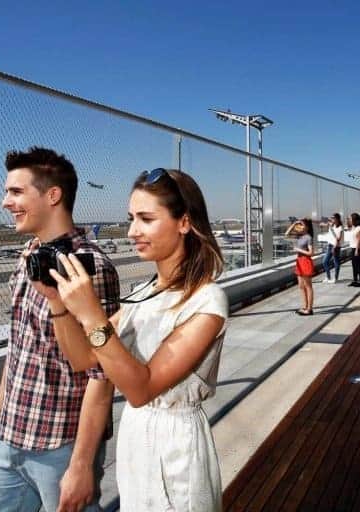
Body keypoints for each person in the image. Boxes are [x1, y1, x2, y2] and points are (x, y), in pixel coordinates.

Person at [43, 168, 229, 511]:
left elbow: (141, 389)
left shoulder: (207, 300)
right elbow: (83, 359)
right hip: (136, 441)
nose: (132, 231)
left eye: (146, 219)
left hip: (175, 446)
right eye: (131, 219)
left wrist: (92, 316)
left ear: (184, 222)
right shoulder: (144, 293)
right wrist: (58, 304)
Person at [0, 147, 120, 512]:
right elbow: (19, 348)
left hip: (61, 445)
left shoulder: (91, 267)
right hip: (10, 437)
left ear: (53, 195)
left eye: (16, 192)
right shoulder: (29, 258)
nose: (6, 202)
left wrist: (82, 464)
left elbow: (102, 374)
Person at [286, 218, 315, 315]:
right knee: (301, 286)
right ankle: (304, 306)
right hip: (299, 261)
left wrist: (298, 250)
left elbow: (311, 253)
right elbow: (287, 234)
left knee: (308, 286)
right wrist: (294, 223)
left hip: (305, 261)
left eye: (302, 224)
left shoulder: (308, 237)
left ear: (307, 227)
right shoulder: (300, 236)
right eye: (300, 224)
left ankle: (309, 309)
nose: (300, 226)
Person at [322, 213, 343, 283]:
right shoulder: (331, 225)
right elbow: (321, 224)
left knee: (336, 262)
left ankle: (335, 278)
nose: (332, 219)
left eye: (333, 218)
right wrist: (311, 220)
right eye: (331, 218)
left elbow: (338, 238)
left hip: (336, 246)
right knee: (325, 261)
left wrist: (334, 247)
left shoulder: (340, 227)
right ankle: (328, 277)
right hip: (330, 245)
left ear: (337, 219)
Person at [348, 212, 360, 287]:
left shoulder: (358, 228)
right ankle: (355, 280)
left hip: (357, 249)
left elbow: (359, 240)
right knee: (354, 266)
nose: (349, 220)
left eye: (350, 219)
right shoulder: (353, 228)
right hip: (353, 248)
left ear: (354, 219)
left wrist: (357, 250)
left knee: (358, 266)